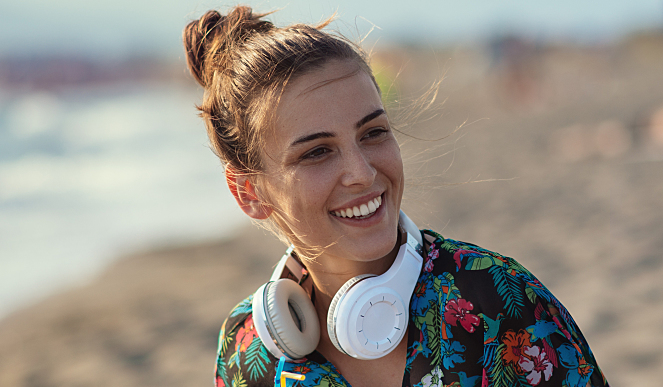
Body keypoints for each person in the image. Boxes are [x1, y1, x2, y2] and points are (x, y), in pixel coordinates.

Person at [183, 6, 609, 387]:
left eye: (373, 133)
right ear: (249, 193)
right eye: (316, 152)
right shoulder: (246, 352)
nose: (363, 173)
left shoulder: (499, 300)